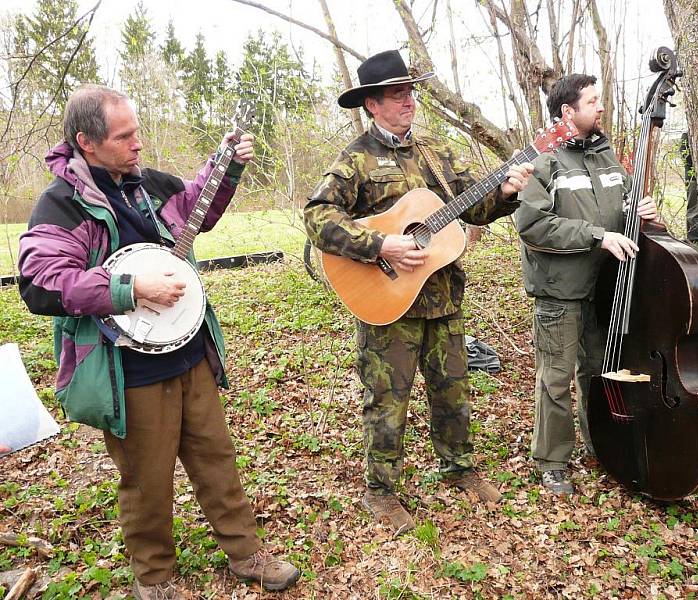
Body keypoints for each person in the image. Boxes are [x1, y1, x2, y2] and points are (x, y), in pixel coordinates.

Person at [17, 84, 299, 599]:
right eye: (125, 137)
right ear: (87, 142)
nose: (138, 144)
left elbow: (197, 208)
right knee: (147, 480)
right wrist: (126, 289)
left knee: (216, 455)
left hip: (189, 350)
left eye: (137, 132)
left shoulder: (147, 185)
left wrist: (226, 166)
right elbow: (40, 282)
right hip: (128, 367)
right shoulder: (62, 206)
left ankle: (245, 552)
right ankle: (155, 577)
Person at [304, 50, 533, 533]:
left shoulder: (437, 153)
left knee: (454, 390)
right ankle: (381, 492)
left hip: (443, 296)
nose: (408, 100)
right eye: (396, 93)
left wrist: (508, 191)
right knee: (388, 399)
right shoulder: (354, 160)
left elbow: (475, 207)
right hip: (388, 305)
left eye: (410, 91)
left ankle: (459, 467)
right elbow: (318, 219)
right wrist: (381, 244)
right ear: (372, 104)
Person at [514, 74, 659, 495]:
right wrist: (596, 235)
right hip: (560, 291)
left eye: (600, 100)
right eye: (592, 101)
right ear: (567, 112)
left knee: (599, 371)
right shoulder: (546, 162)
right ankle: (553, 462)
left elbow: (627, 212)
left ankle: (600, 444)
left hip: (607, 288)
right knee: (556, 377)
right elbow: (533, 225)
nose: (601, 107)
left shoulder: (608, 158)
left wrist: (644, 213)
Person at [680, 131, 698, 243]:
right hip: (693, 178)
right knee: (693, 209)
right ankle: (694, 240)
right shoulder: (688, 135)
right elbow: (686, 157)